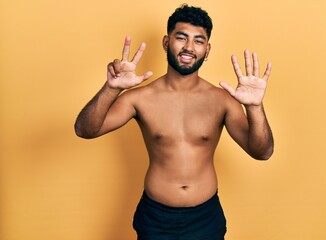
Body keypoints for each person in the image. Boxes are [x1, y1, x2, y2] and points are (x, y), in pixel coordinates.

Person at [75, 4, 274, 240]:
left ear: (207, 50)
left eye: (198, 41)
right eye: (181, 38)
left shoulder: (222, 101)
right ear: (166, 42)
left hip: (205, 218)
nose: (189, 47)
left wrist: (254, 107)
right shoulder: (140, 98)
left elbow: (262, 152)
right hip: (156, 219)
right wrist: (110, 89)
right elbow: (85, 130)